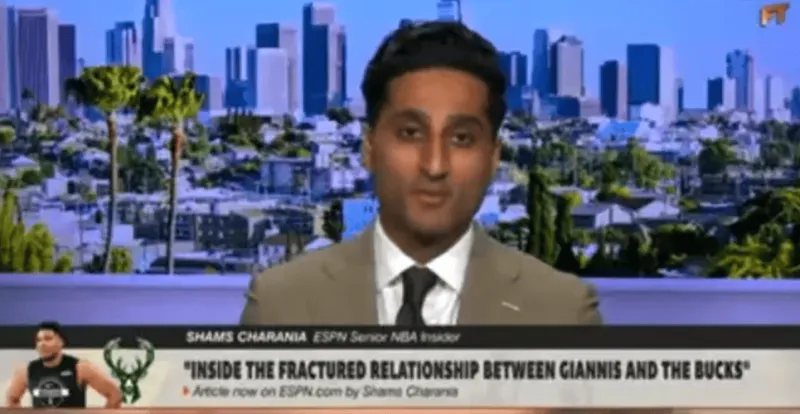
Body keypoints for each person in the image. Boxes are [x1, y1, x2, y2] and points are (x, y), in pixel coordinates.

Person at [240, 21, 602, 326]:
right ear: (370, 148)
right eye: (410, 133)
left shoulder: (563, 313)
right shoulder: (280, 307)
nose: (434, 165)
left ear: (494, 158)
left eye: (461, 138)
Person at [4, 321, 122, 408]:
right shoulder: (26, 371)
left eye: (48, 339)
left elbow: (114, 395)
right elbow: (11, 400)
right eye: (38, 340)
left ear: (61, 342)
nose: (42, 344)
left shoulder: (81, 368)